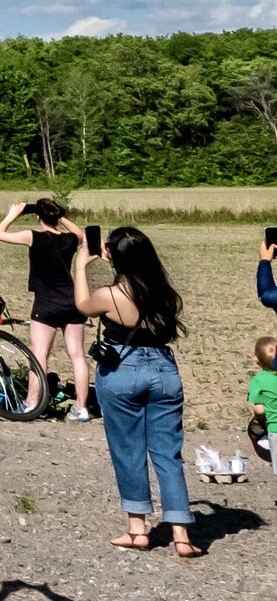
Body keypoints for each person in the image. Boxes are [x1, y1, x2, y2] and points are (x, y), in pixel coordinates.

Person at [73, 226, 194, 556]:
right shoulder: (164, 293)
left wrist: (82, 264)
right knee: (168, 453)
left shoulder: (110, 295)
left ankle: (138, 530)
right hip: (164, 370)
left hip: (122, 370)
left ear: (113, 255)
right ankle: (181, 534)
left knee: (128, 450)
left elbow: (83, 305)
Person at [0, 199, 91, 421]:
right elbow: (81, 234)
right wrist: (60, 216)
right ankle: (81, 408)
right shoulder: (69, 239)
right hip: (72, 301)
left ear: (38, 216)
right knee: (77, 355)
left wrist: (13, 215)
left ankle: (31, 403)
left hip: (46, 302)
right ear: (57, 217)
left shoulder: (32, 236)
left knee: (38, 354)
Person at [248, 336, 277, 466]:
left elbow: (259, 410)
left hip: (274, 429)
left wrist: (256, 421)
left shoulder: (258, 380)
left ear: (256, 359)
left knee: (253, 429)